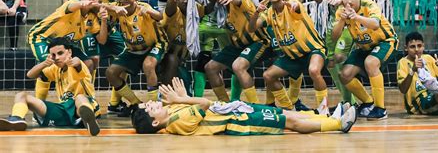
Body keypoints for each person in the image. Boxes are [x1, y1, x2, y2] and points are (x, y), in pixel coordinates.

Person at [131, 77, 357, 135]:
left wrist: (182, 96)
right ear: (154, 121)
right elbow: (205, 103)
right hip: (239, 123)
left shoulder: (170, 114)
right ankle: (338, 124)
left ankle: (326, 117)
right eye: (150, 108)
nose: (153, 103)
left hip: (237, 111)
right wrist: (182, 98)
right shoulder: (178, 122)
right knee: (290, 122)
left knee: (284, 112)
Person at [249, 0, 328, 109]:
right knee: (268, 76)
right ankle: (289, 108)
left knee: (314, 70)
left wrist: (294, 6)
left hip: (312, 50)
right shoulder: (268, 13)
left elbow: (296, 6)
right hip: (292, 56)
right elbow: (251, 28)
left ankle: (324, 110)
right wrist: (257, 12)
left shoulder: (290, 1)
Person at [0, 37, 101, 135]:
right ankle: (16, 119)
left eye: (60, 53)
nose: (56, 57)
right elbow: (30, 75)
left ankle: (88, 120)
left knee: (80, 97)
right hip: (63, 109)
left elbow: (77, 62)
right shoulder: (55, 69)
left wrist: (75, 61)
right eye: (53, 55)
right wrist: (45, 63)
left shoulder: (77, 64)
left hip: (85, 105)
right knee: (22, 95)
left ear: (69, 52)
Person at [27, 0, 108, 100]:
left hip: (64, 44)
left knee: (89, 63)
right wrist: (81, 3)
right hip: (42, 38)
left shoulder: (91, 17)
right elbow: (72, 6)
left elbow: (102, 40)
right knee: (49, 67)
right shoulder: (72, 3)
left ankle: (83, 97)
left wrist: (104, 21)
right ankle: (40, 105)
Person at [333, 0, 398, 120]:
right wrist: (341, 21)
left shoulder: (370, 5)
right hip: (363, 47)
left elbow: (375, 24)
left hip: (385, 42)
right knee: (344, 74)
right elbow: (334, 36)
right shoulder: (341, 12)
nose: (349, 1)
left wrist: (356, 17)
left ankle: (380, 109)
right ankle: (368, 103)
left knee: (371, 63)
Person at [204, 0, 272, 104]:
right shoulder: (218, 6)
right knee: (210, 68)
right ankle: (225, 104)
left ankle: (256, 106)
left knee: (238, 66)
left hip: (258, 41)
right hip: (238, 44)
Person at [103, 0, 167, 109]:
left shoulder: (144, 7)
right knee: (110, 72)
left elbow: (161, 16)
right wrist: (112, 7)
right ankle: (136, 103)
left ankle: (154, 105)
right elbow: (99, 5)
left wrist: (149, 12)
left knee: (148, 65)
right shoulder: (117, 9)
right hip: (132, 49)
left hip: (154, 45)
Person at [313, 0, 358, 105]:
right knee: (331, 62)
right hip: (334, 21)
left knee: (340, 57)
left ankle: (363, 99)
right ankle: (348, 101)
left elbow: (355, 1)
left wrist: (339, 1)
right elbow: (318, 0)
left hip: (351, 20)